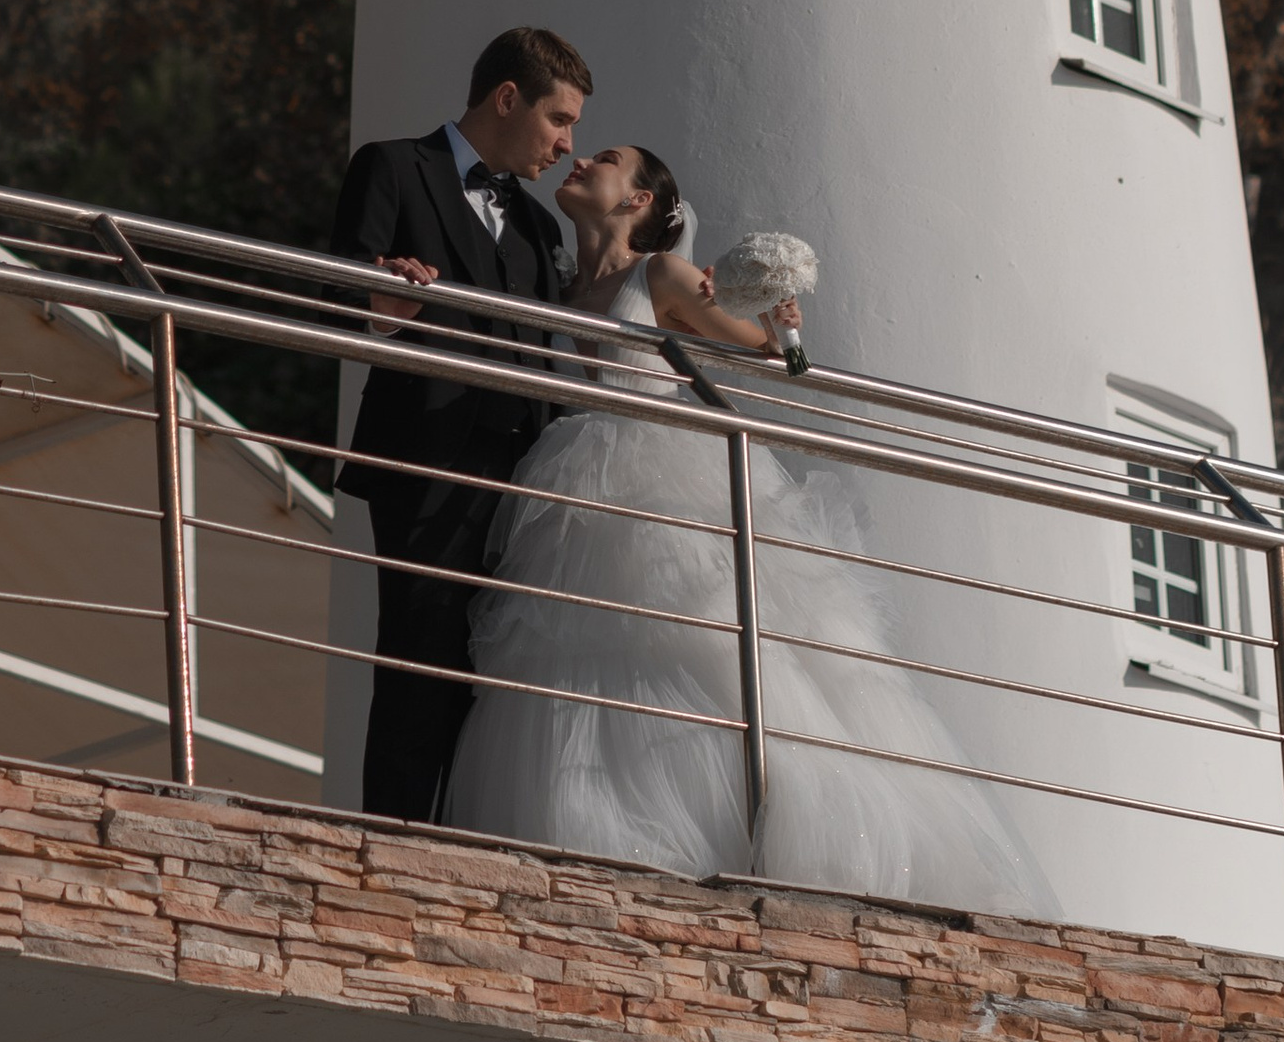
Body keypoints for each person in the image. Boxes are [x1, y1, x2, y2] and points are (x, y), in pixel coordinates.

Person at [444, 141, 1057, 918]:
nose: (579, 161)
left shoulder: (659, 273)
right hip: (578, 480)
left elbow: (773, 362)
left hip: (671, 472)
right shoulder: (560, 286)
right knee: (581, 653)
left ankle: (767, 830)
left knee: (703, 638)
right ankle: (601, 827)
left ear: (637, 201)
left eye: (602, 158)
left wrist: (787, 330)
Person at [328, 27, 590, 822]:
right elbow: (339, 293)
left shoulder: (542, 228)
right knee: (420, 654)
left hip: (527, 478)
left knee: (498, 669)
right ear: (508, 98)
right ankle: (391, 839)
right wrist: (382, 299)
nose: (568, 143)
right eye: (559, 118)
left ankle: (467, 834)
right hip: (428, 460)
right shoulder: (392, 166)